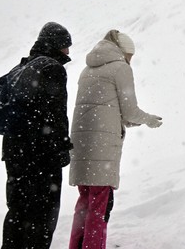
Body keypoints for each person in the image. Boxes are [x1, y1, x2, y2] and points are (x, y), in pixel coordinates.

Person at [67, 30, 163, 249]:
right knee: (100, 204)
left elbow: (107, 108)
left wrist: (129, 120)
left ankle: (76, 245)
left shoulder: (87, 70)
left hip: (81, 144)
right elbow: (129, 111)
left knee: (84, 201)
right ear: (124, 52)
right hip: (102, 147)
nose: (130, 61)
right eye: (130, 56)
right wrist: (148, 120)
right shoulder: (120, 68)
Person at [0, 22, 74, 249]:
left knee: (17, 211)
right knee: (41, 216)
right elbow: (55, 113)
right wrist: (62, 148)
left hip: (15, 153)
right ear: (56, 45)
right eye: (65, 46)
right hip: (41, 155)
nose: (68, 52)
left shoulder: (19, 68)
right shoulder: (52, 68)